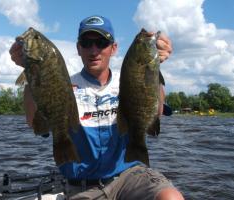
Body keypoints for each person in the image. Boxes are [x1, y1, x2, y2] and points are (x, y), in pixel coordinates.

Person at [10, 15, 184, 200]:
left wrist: (154, 68)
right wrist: (30, 70)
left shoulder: (129, 78)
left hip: (129, 176)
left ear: (113, 48)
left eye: (101, 42)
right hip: (83, 187)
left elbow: (155, 113)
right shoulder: (62, 86)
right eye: (86, 42)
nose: (94, 50)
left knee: (170, 197)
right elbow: (33, 121)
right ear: (78, 48)